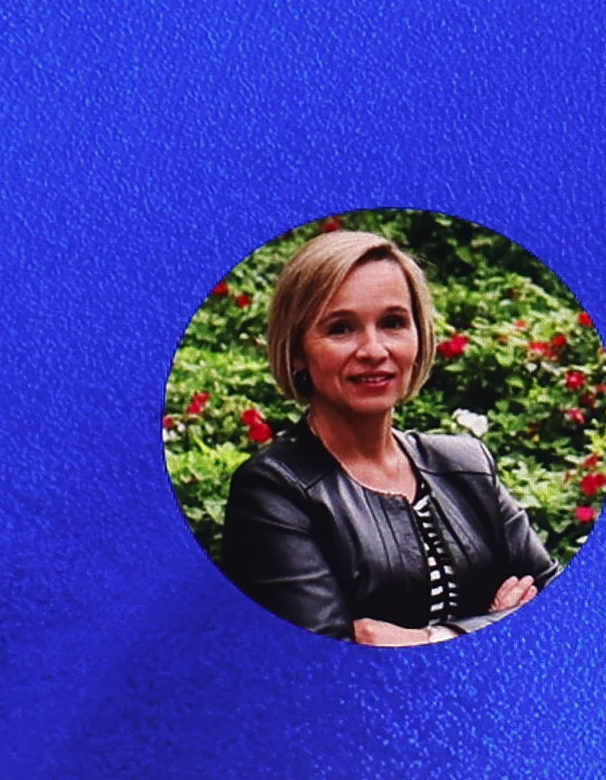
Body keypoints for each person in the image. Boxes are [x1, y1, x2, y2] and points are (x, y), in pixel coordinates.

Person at [206, 227, 556, 645]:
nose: (373, 349)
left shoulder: (468, 465)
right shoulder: (273, 491)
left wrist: (427, 638)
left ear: (418, 335)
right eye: (341, 329)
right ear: (298, 349)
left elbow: (564, 615)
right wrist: (500, 623)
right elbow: (328, 665)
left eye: (393, 323)